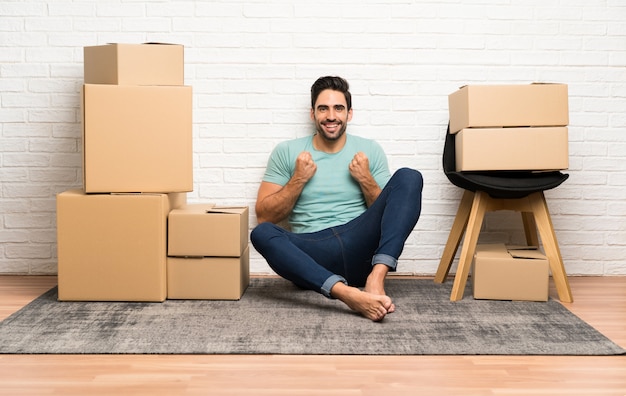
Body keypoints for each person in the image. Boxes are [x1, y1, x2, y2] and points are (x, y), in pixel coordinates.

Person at [251, 76, 423, 322]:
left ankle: (376, 278)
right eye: (323, 108)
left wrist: (366, 179)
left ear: (349, 114)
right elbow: (264, 216)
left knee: (409, 176)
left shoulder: (369, 150)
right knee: (262, 233)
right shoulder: (287, 152)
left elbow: (393, 214)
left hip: (360, 245)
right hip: (312, 254)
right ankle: (348, 295)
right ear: (312, 113)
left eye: (338, 108)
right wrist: (298, 179)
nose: (331, 116)